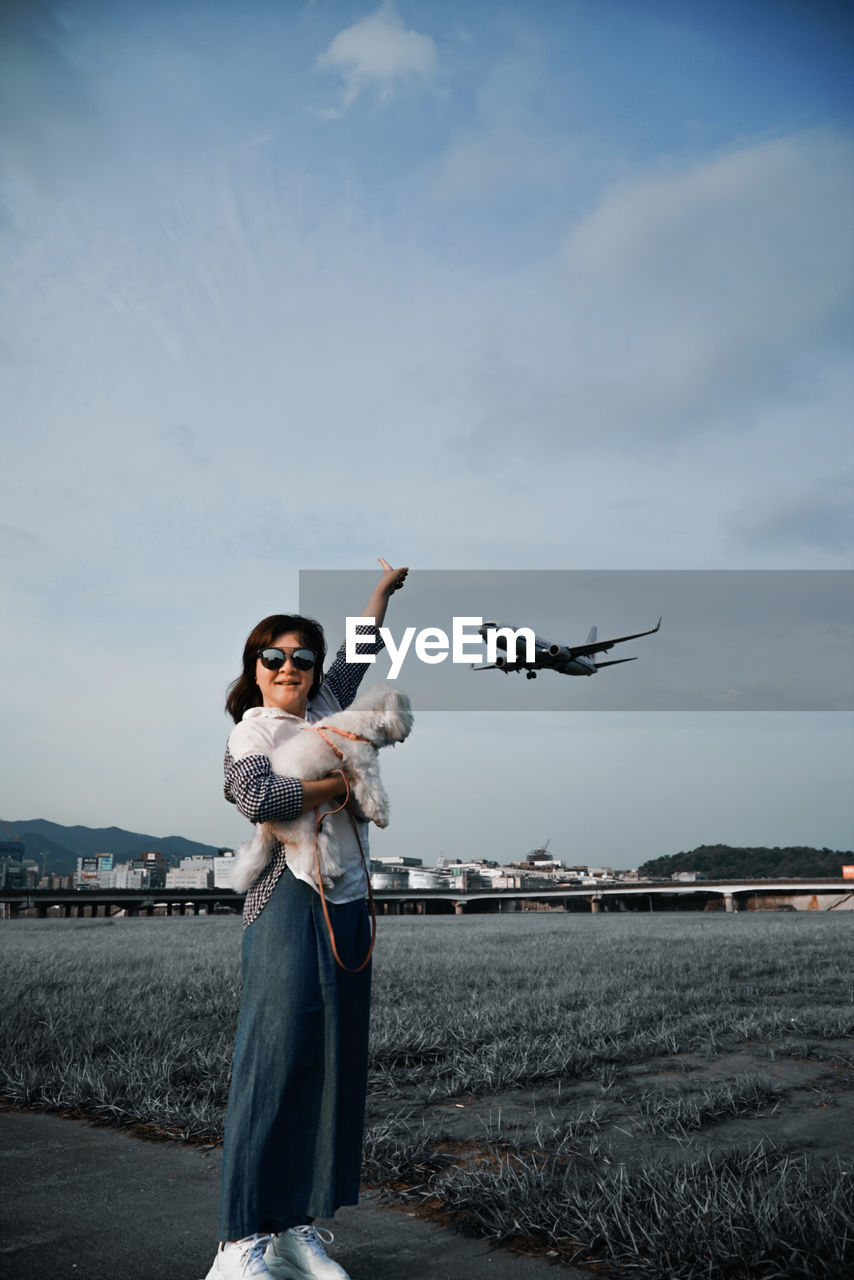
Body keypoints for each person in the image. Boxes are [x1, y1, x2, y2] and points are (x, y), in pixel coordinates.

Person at [206, 559, 408, 1280]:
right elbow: (261, 798)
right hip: (287, 903)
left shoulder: (326, 711)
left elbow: (359, 653)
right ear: (255, 670)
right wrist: (342, 783)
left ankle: (295, 1227)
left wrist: (381, 594)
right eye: (274, 656)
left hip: (347, 903)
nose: (289, 666)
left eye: (301, 658)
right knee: (274, 1059)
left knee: (329, 1063)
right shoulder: (252, 732)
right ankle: (239, 1240)